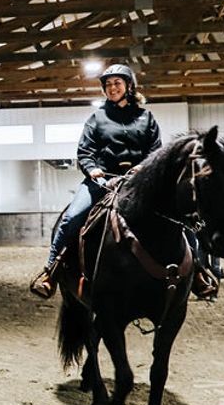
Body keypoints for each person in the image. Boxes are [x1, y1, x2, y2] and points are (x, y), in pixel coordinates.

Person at [29, 64, 163, 299]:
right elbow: (85, 151)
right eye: (108, 85)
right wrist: (93, 170)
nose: (112, 88)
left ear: (129, 86)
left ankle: (198, 270)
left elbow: (156, 151)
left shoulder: (146, 117)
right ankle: (50, 270)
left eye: (117, 83)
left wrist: (143, 167)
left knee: (175, 213)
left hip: (139, 182)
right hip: (102, 181)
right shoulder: (97, 118)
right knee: (72, 218)